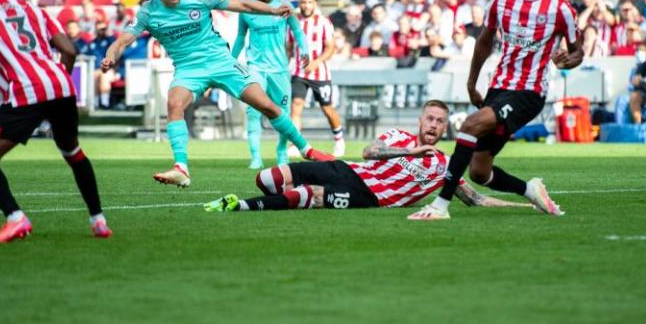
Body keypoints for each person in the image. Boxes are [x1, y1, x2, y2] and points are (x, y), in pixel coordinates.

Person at [101, 0, 332, 188]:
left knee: (267, 106)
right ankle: (181, 168)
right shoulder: (148, 12)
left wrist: (272, 10)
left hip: (222, 63)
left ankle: (306, 149)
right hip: (189, 70)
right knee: (173, 103)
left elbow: (242, 5)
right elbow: (122, 41)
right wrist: (110, 56)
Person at [408, 0, 584, 221]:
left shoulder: (560, 9)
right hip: (499, 88)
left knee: (470, 124)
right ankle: (530, 190)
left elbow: (578, 51)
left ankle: (439, 206)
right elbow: (484, 42)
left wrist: (566, 60)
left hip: (529, 92)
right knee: (479, 171)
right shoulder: (502, 1)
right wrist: (471, 82)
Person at [0, 0, 110, 243]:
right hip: (61, 87)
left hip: (26, 92)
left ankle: (16, 219)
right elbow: (69, 50)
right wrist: (56, 83)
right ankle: (99, 221)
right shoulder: (35, 10)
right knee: (72, 151)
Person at [203, 100, 529, 212]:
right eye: (429, 118)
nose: (433, 125)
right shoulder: (399, 137)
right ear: (420, 120)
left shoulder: (446, 163)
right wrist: (410, 150)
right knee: (267, 177)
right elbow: (369, 152)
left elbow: (476, 200)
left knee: (307, 195)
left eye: (439, 121)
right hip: (347, 169)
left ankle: (242, 207)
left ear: (446, 127)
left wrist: (525, 203)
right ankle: (288, 201)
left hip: (367, 196)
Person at [231, 0, 310, 170]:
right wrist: (231, 59)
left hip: (280, 69)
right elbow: (240, 37)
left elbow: (297, 31)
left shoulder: (284, 6)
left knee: (282, 113)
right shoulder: (246, 9)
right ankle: (255, 157)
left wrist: (304, 50)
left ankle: (282, 152)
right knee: (253, 111)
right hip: (256, 67)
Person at [288, 0, 346, 158]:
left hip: (320, 73)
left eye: (309, 2)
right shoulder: (293, 22)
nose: (306, 5)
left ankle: (339, 140)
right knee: (296, 106)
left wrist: (316, 62)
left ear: (314, 4)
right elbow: (289, 47)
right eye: (303, 2)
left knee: (327, 108)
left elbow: (330, 47)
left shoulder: (323, 22)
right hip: (299, 72)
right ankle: (294, 144)